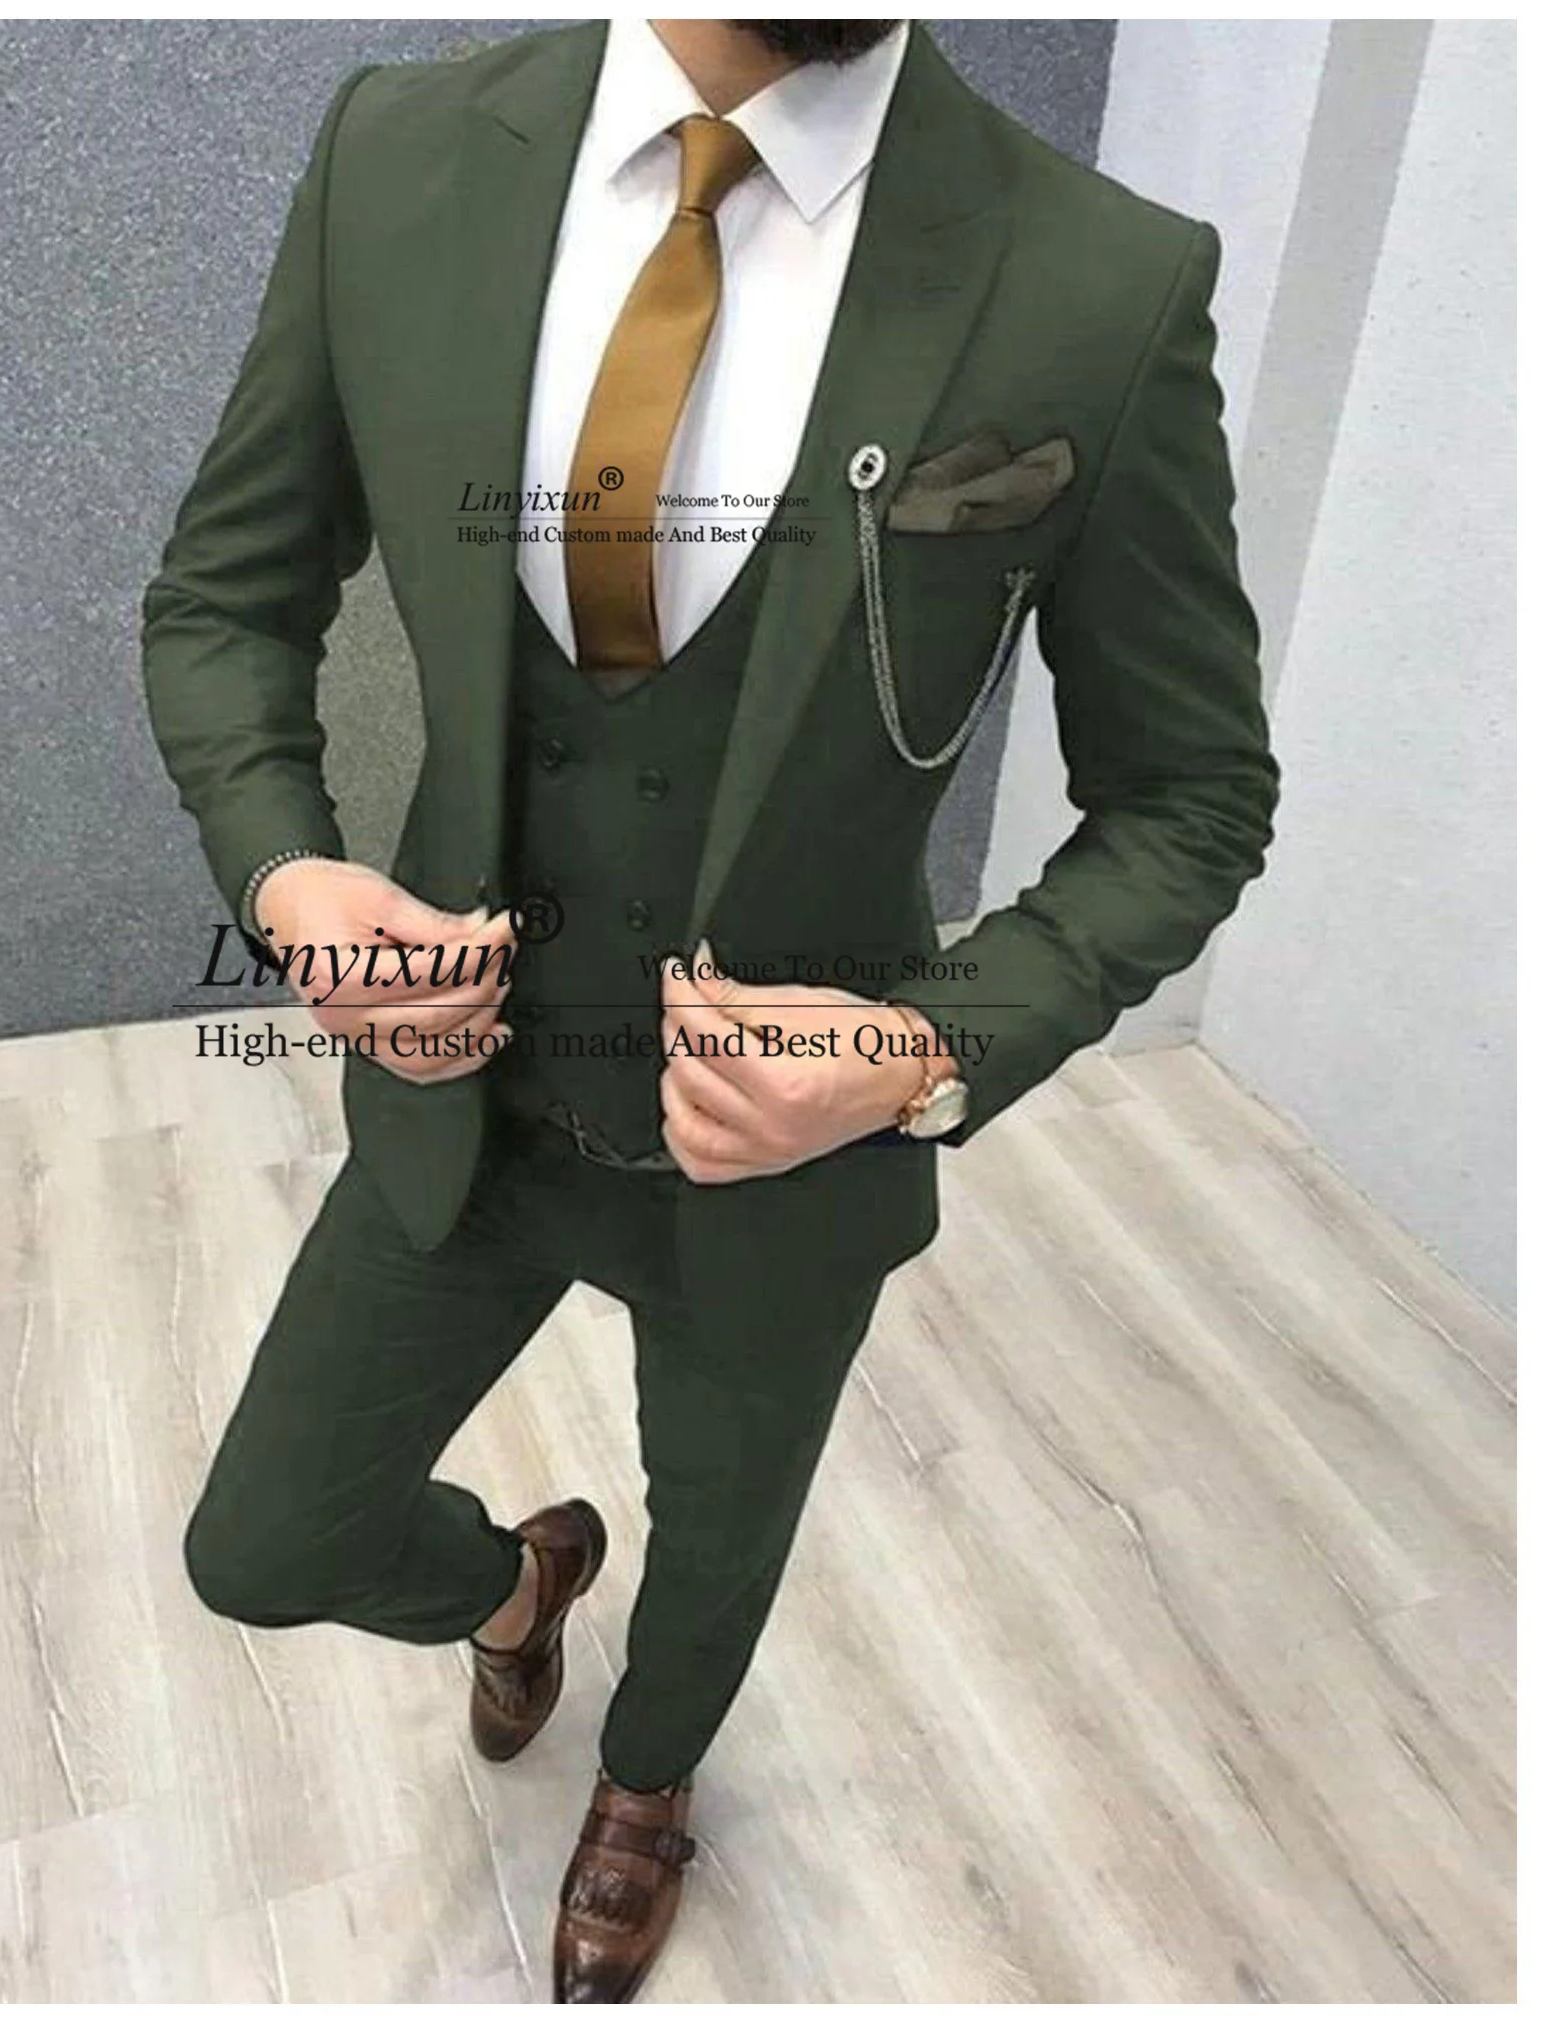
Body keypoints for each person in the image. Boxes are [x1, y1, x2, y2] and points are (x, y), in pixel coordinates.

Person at [140, 16, 1279, 2002]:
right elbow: (225, 598)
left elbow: (1190, 795)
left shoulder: (1097, 276)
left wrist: (923, 1048)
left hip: (788, 1155)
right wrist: (293, 877)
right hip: (466, 1098)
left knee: (727, 1538)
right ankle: (519, 1583)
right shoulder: (397, 157)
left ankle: (650, 1780)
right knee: (265, 1541)